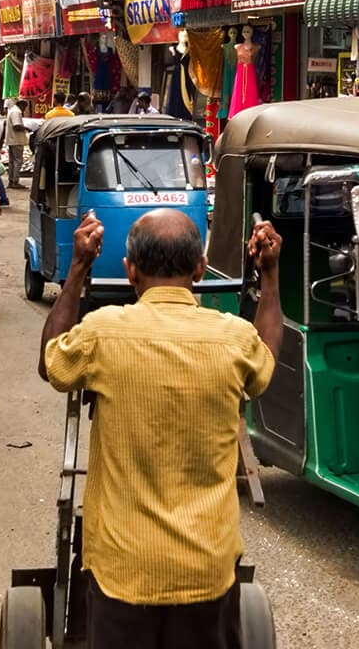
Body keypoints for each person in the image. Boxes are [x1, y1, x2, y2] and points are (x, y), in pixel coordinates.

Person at [38, 210, 282, 647]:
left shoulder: (101, 333)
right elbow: (266, 356)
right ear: (200, 269)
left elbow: (50, 364)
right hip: (207, 569)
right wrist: (270, 275)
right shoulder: (235, 339)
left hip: (123, 571)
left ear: (130, 270)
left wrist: (78, 267)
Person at [5, 98, 29, 188]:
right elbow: (16, 126)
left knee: (12, 161)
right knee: (17, 161)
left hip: (12, 140)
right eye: (24, 107)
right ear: (21, 105)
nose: (24, 110)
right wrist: (27, 128)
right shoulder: (16, 112)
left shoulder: (13, 110)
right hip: (16, 140)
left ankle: (11, 181)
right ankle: (15, 181)